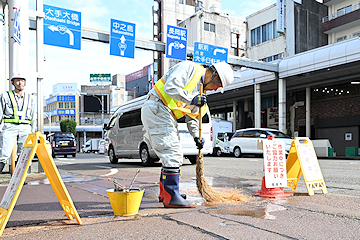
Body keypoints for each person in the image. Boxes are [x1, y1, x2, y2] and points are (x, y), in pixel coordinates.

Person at [141, 61, 234, 208]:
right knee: (172, 152)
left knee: (171, 153)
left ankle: (166, 193)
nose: (216, 89)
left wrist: (196, 136)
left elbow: (193, 116)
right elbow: (170, 87)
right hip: (157, 108)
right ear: (214, 75)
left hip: (164, 113)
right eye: (218, 85)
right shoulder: (190, 68)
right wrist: (191, 99)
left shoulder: (200, 91)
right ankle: (172, 197)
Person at [0, 73, 37, 173]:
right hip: (9, 126)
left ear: (25, 83)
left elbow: (34, 116)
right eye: (17, 80)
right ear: (12, 82)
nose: (20, 83)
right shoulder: (5, 96)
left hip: (25, 127)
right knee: (4, 153)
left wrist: (33, 131)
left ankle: (19, 179)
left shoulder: (30, 98)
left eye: (22, 80)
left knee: (23, 154)